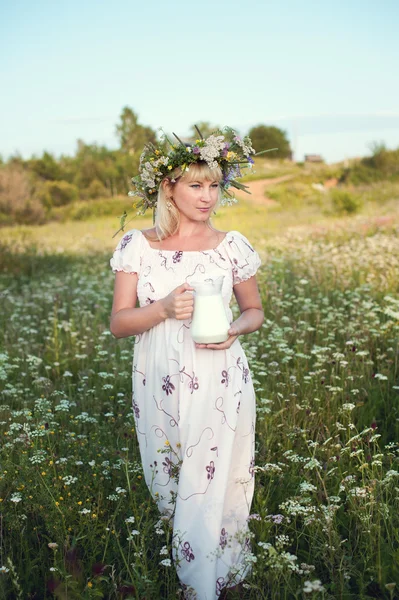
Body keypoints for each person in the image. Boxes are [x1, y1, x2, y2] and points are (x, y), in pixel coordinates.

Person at [109, 128, 264, 600]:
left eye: (215, 185)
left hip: (220, 372)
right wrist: (161, 310)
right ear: (168, 188)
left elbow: (255, 311)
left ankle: (212, 578)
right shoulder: (138, 245)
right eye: (196, 185)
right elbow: (118, 322)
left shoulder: (231, 244)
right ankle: (191, 564)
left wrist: (234, 330)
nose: (207, 196)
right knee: (170, 476)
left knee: (217, 473)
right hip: (159, 376)